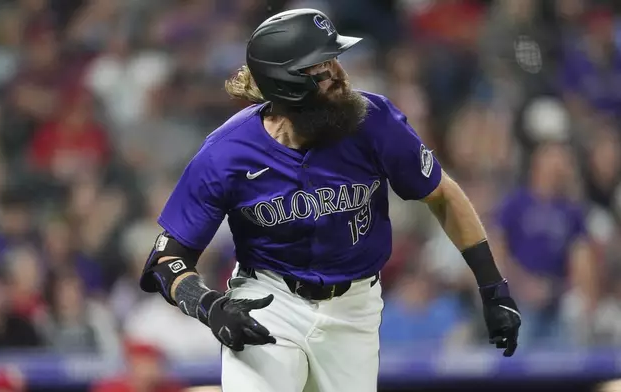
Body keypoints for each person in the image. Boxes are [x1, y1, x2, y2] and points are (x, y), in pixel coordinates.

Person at [139, 8, 522, 392]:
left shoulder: (374, 121)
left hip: (354, 308)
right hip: (270, 299)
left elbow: (442, 196)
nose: (340, 73)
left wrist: (493, 288)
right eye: (321, 67)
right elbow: (165, 262)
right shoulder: (226, 153)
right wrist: (210, 306)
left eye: (335, 59)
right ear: (286, 84)